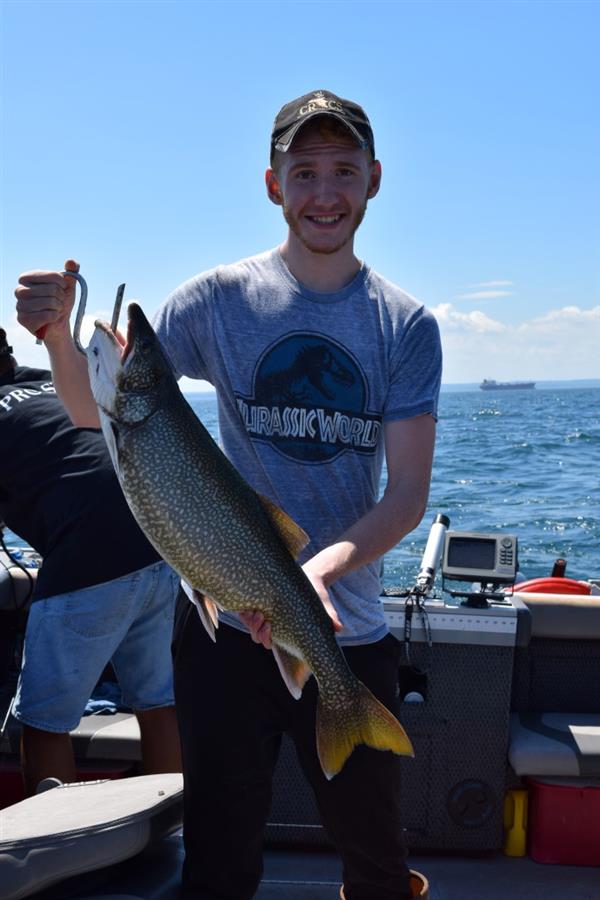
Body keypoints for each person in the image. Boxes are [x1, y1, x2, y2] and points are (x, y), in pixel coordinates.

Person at [15, 90, 441, 899]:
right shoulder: (218, 298)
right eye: (304, 170)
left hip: (346, 625)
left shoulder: (405, 324)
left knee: (378, 864)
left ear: (375, 180)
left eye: (343, 171)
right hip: (221, 627)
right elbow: (88, 408)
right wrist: (60, 337)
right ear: (272, 183)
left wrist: (318, 572)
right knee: (218, 860)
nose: (325, 192)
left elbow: (408, 495)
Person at [0, 327, 182, 796]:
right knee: (157, 703)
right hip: (157, 533)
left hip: (88, 549)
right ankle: (173, 842)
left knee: (41, 722)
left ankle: (55, 854)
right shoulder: (48, 379)